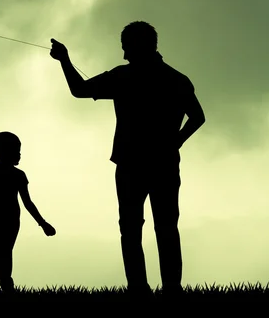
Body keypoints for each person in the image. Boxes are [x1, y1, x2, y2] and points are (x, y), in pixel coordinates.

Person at [50, 21, 205, 299]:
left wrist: (64, 60)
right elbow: (198, 117)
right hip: (165, 163)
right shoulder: (176, 79)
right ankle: (171, 288)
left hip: (130, 164)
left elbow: (79, 90)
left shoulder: (123, 77)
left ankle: (138, 289)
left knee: (131, 228)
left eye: (126, 47)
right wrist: (176, 141)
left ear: (136, 46)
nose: (123, 54)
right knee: (167, 226)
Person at [0, 131, 56, 293]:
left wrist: (43, 223)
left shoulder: (3, 173)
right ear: (5, 152)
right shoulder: (13, 174)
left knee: (0, 254)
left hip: (0, 218)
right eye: (17, 152)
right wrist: (43, 223)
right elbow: (27, 203)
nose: (19, 155)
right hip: (3, 218)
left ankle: (7, 286)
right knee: (1, 254)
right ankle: (7, 285)